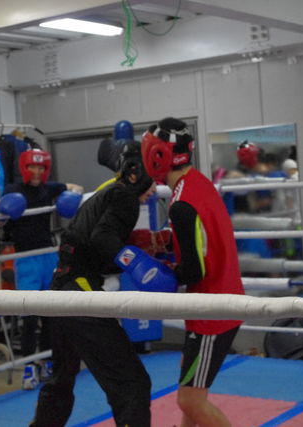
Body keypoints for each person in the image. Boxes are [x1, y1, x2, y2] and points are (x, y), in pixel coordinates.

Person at [30, 139, 156, 427]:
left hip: (60, 290)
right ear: (135, 173)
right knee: (132, 383)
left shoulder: (107, 192)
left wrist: (138, 247)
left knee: (61, 379)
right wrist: (138, 264)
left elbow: (94, 245)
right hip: (80, 292)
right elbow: (102, 239)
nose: (154, 187)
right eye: (152, 178)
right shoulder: (124, 197)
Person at [141, 117, 244, 427]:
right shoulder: (197, 183)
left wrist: (162, 272)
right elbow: (203, 240)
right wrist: (167, 242)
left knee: (190, 400)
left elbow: (194, 271)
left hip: (212, 311)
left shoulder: (181, 203)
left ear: (157, 155)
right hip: (220, 302)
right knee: (190, 388)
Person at [2, 148, 83, 389]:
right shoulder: (13, 190)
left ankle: (47, 360)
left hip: (48, 255)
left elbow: (76, 186)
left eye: (41, 167)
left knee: (50, 313)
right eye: (32, 167)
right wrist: (3, 213)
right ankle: (29, 366)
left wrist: (72, 195)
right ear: (24, 168)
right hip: (26, 258)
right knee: (29, 315)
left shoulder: (49, 188)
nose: (36, 172)